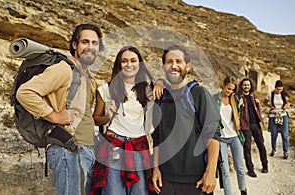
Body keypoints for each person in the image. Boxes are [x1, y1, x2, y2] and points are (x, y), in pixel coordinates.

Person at [16, 24, 104, 195]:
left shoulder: (89, 77)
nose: (90, 47)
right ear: (74, 45)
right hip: (68, 148)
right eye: (85, 42)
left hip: (86, 150)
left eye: (95, 43)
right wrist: (54, 116)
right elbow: (25, 92)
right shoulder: (64, 69)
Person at [151, 45, 221, 195]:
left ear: (187, 66)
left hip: (195, 180)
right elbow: (157, 136)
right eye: (169, 62)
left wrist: (211, 172)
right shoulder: (161, 97)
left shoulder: (199, 93)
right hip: (165, 179)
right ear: (164, 67)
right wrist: (155, 168)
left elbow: (213, 132)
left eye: (179, 61)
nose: (174, 66)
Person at [91, 46, 157, 195]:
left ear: (139, 64)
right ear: (118, 65)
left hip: (139, 145)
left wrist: (159, 82)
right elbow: (95, 119)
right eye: (124, 61)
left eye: (133, 60)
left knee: (140, 191)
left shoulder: (147, 89)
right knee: (113, 191)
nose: (129, 65)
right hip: (113, 144)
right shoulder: (106, 89)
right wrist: (108, 115)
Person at [213, 76, 247, 195]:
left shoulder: (235, 99)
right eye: (228, 89)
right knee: (225, 170)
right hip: (221, 138)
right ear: (223, 85)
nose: (230, 92)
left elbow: (240, 115)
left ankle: (243, 190)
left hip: (234, 136)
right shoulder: (214, 98)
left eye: (232, 90)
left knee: (240, 167)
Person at [234, 78, 268, 178]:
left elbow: (259, 109)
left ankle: (265, 165)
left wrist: (258, 103)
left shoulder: (254, 95)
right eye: (244, 85)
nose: (246, 87)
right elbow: (235, 110)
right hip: (245, 125)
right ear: (241, 86)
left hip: (256, 124)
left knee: (261, 145)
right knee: (247, 148)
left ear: (250, 86)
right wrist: (238, 104)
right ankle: (250, 169)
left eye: (248, 85)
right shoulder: (237, 97)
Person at [263, 80, 289, 159]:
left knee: (284, 134)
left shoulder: (284, 95)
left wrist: (285, 106)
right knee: (273, 134)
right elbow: (264, 102)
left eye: (281, 89)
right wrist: (270, 106)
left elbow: (287, 103)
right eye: (278, 89)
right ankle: (273, 149)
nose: (279, 91)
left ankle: (285, 151)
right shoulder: (270, 94)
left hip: (282, 115)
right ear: (275, 88)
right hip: (273, 115)